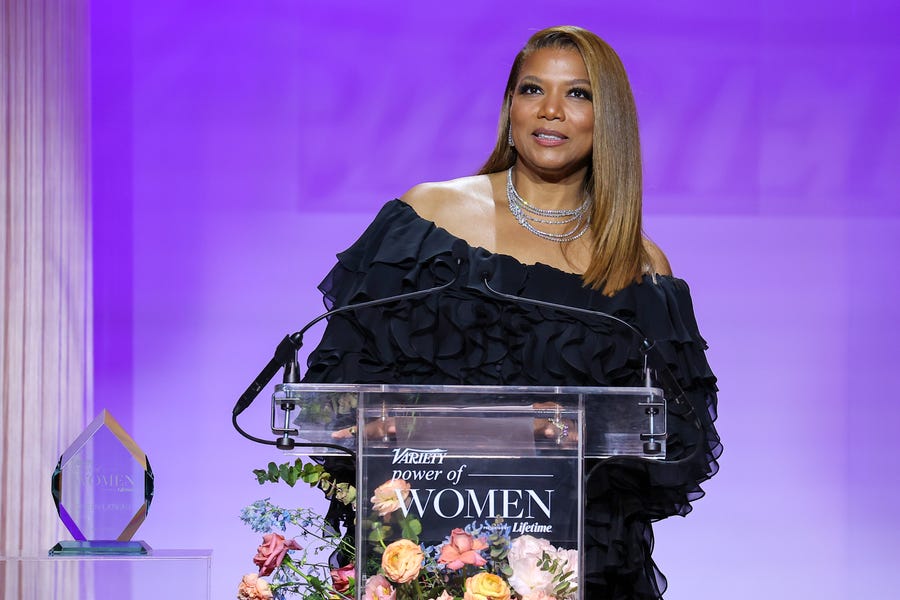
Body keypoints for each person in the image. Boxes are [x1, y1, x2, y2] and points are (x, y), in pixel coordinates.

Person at [302, 25, 721, 599]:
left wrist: (580, 429)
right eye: (532, 90)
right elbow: (335, 392)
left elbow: (677, 446)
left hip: (573, 570)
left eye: (578, 94)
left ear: (610, 120)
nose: (551, 111)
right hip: (423, 559)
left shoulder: (640, 270)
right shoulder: (428, 218)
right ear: (509, 107)